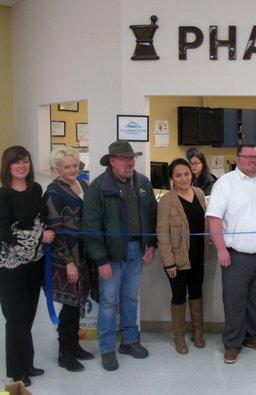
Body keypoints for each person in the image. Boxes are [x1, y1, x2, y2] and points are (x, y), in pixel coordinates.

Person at [82, 141, 157, 371]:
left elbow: (152, 215)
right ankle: (107, 349)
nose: (130, 162)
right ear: (112, 160)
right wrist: (101, 260)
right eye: (124, 158)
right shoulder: (98, 187)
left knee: (130, 298)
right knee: (107, 303)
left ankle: (129, 341)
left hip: (137, 250)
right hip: (111, 256)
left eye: (132, 158)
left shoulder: (143, 183)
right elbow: (91, 228)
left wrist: (151, 244)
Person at [206, 145, 256, 364]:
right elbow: (214, 218)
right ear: (237, 159)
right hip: (236, 255)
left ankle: (252, 337)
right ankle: (232, 343)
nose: (252, 160)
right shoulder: (226, 183)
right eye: (247, 156)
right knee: (234, 301)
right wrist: (221, 249)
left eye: (255, 157)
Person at [0, 146, 55, 387]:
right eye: (16, 162)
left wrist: (42, 236)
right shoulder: (3, 195)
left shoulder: (36, 190)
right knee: (15, 318)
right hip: (11, 266)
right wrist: (38, 237)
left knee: (29, 316)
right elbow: (3, 232)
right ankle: (16, 371)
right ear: (7, 166)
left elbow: (41, 221)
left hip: (35, 262)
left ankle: (28, 363)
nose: (22, 166)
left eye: (25, 161)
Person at [43, 147, 97, 372]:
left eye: (75, 165)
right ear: (57, 168)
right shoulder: (53, 192)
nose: (73, 169)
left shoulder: (83, 185)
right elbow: (54, 231)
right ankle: (65, 353)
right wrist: (69, 262)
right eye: (67, 167)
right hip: (66, 258)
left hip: (84, 255)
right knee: (69, 306)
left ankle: (74, 346)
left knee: (78, 304)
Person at [157, 158, 208, 354]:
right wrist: (169, 262)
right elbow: (162, 234)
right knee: (179, 297)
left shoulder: (199, 193)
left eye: (187, 173)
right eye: (178, 175)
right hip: (177, 259)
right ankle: (179, 336)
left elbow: (206, 222)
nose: (184, 178)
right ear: (172, 178)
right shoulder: (167, 201)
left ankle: (197, 332)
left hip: (197, 256)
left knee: (196, 293)